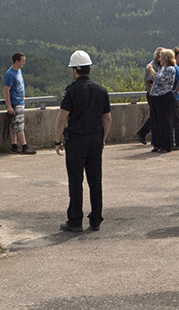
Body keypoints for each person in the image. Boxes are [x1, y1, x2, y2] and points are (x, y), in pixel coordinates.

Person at [55, 49, 111, 232]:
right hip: (95, 139)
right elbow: (107, 119)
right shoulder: (101, 91)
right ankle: (96, 219)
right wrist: (102, 139)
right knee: (95, 180)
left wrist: (58, 141)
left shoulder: (71, 91)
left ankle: (75, 220)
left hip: (76, 141)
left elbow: (62, 118)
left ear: (75, 70)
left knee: (75, 180)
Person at [145, 48, 179, 153]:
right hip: (156, 97)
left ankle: (166, 145)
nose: (159, 59)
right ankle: (158, 144)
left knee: (165, 122)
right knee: (157, 122)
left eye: (161, 57)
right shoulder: (163, 69)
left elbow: (159, 78)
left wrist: (151, 69)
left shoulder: (170, 69)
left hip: (164, 97)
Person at [4, 52, 31, 154]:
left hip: (20, 100)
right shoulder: (10, 74)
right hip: (15, 102)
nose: (24, 63)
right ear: (16, 61)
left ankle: (14, 146)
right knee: (19, 125)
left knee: (13, 125)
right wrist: (9, 106)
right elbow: (6, 90)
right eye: (22, 61)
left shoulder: (18, 71)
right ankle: (24, 146)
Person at [137, 51, 158, 145]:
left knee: (155, 116)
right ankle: (143, 133)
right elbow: (149, 82)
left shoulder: (159, 65)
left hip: (157, 94)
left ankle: (144, 133)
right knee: (155, 116)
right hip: (152, 94)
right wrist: (151, 94)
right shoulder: (151, 66)